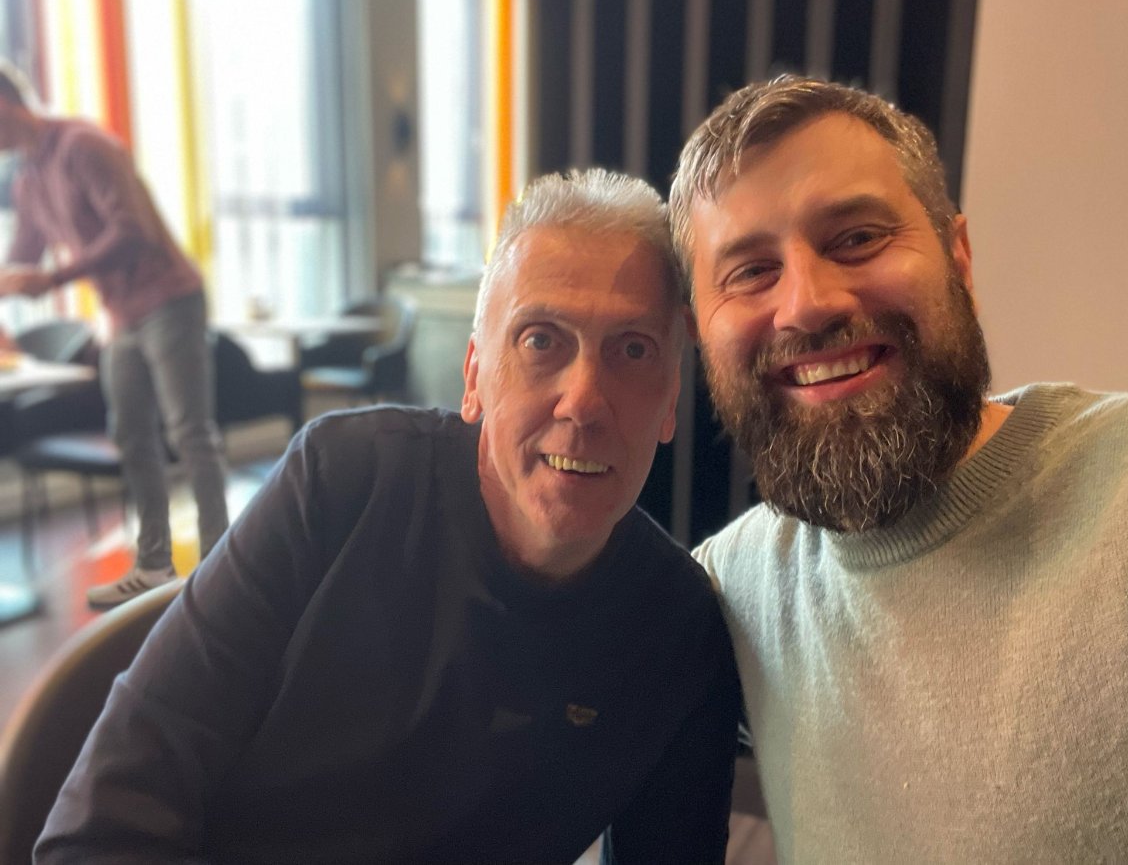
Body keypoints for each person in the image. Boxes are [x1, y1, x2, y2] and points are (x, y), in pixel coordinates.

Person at [35, 168, 741, 863]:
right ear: (474, 376)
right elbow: (101, 826)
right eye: (540, 340)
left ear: (670, 401)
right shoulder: (341, 485)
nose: (583, 402)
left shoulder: (678, 633)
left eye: (633, 349)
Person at [669, 74, 1128, 861]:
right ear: (699, 336)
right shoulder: (728, 592)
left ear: (959, 258)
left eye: (857, 238)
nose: (808, 303)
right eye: (750, 272)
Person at [0, 62, 228, 608]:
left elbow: (132, 231)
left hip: (169, 298)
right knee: (130, 433)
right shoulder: (27, 179)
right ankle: (154, 566)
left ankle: (223, 565)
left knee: (189, 432)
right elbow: (24, 255)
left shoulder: (82, 145)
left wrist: (54, 278)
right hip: (121, 316)